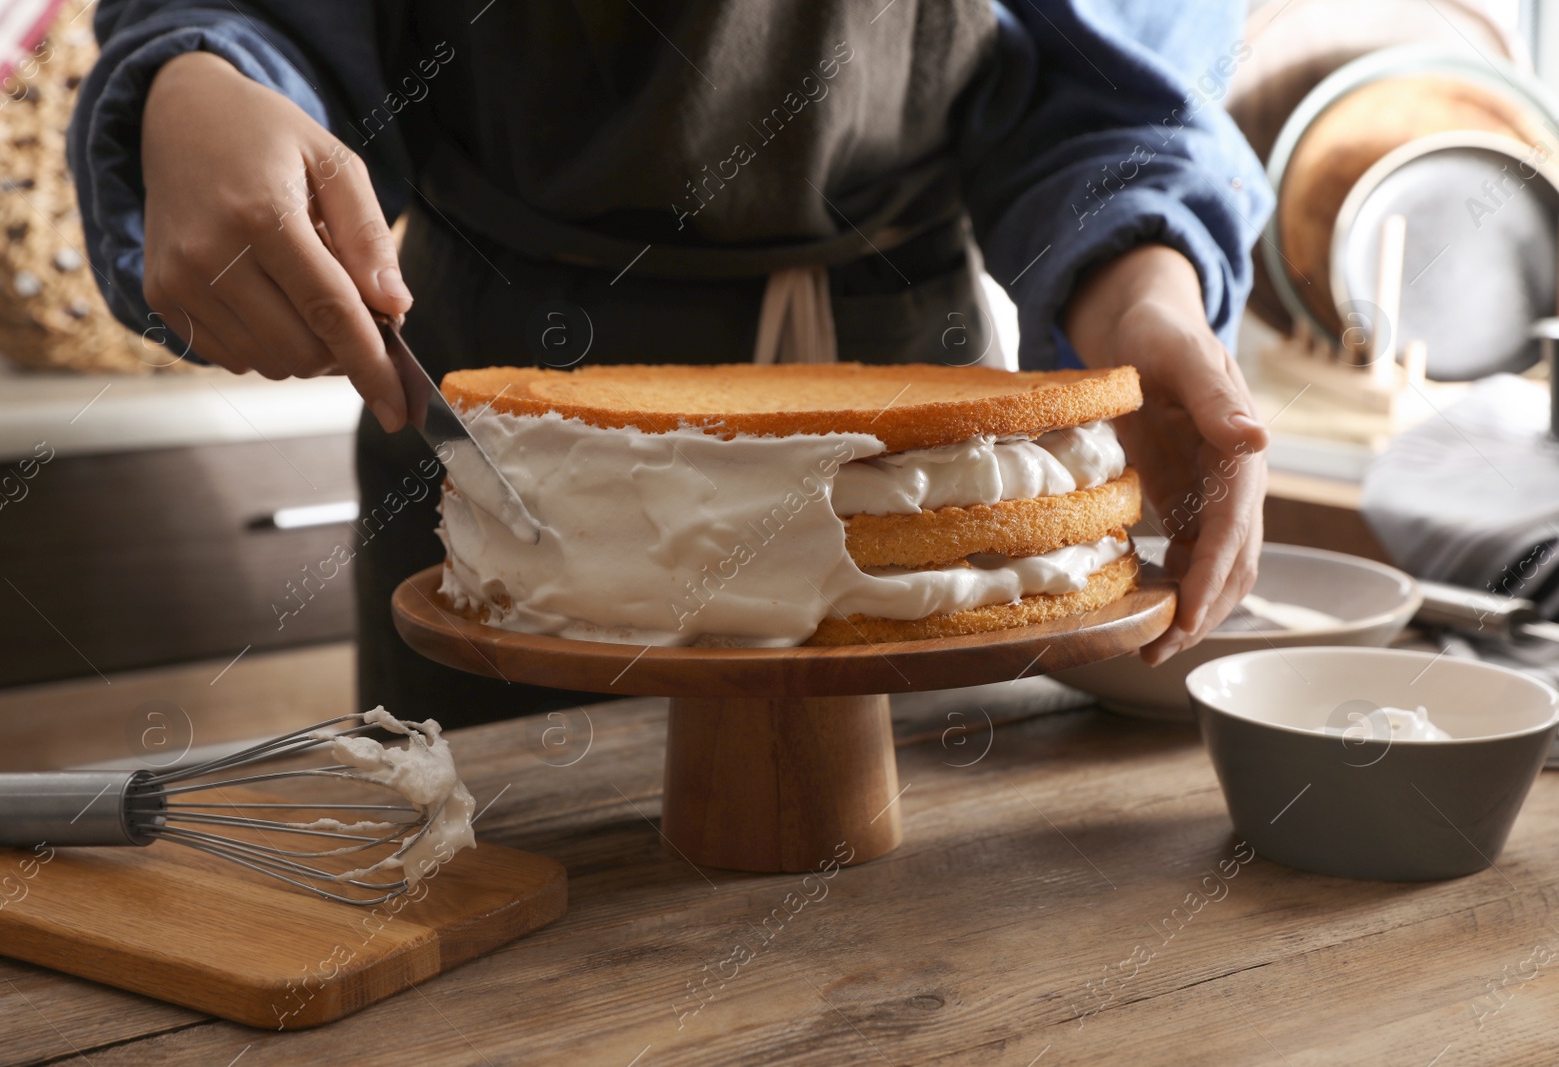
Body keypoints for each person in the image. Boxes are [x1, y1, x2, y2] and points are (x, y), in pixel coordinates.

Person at [70, 1, 1272, 728]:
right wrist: (202, 77)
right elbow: (267, 17)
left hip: (920, 421)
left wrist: (1149, 292)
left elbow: (1104, 84)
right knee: (514, 919)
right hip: (504, 416)